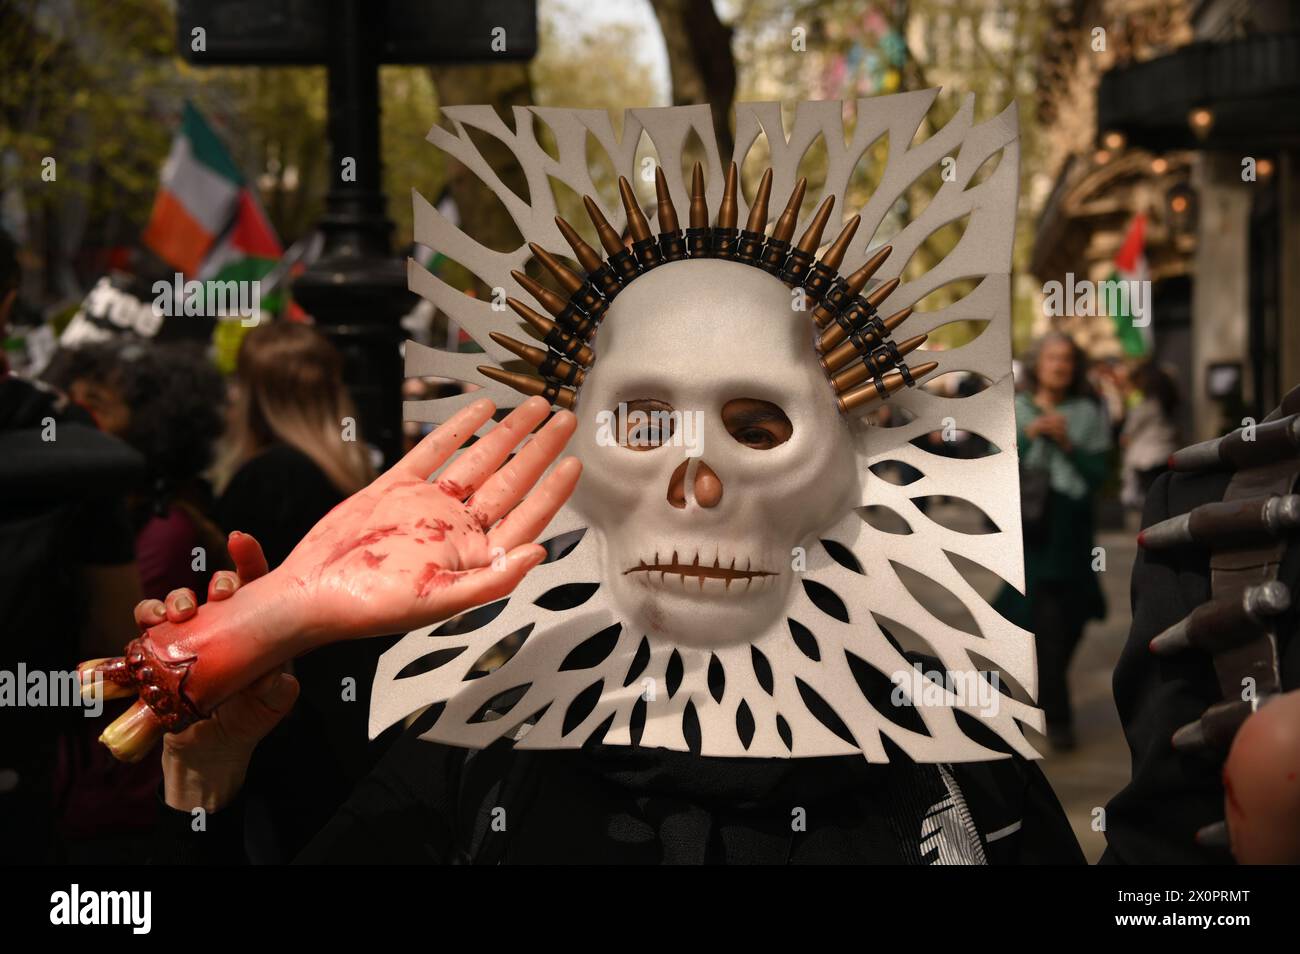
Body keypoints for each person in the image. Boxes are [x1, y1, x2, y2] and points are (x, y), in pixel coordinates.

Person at [209, 321, 382, 861]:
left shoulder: (269, 476)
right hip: (350, 704)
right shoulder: (350, 471)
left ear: (256, 393)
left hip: (290, 712)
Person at [0, 231, 146, 862]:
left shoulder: (67, 446)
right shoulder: (65, 441)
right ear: (8, 304)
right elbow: (114, 646)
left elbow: (113, 649)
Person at [995, 332, 1111, 751]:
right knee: (1044, 624)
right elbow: (995, 462)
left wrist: (1068, 443)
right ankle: (1058, 719)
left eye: (1066, 359)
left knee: (1074, 618)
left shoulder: (1087, 412)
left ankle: (1046, 688)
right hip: (1032, 529)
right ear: (1037, 364)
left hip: (1073, 530)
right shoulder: (1018, 407)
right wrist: (1029, 435)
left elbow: (1100, 477)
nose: (1059, 366)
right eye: (1051, 359)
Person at [1118, 361, 1179, 512]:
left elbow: (1128, 433)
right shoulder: (1167, 403)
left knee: (1151, 499)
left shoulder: (1147, 405)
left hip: (1146, 458)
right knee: (1164, 497)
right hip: (1165, 453)